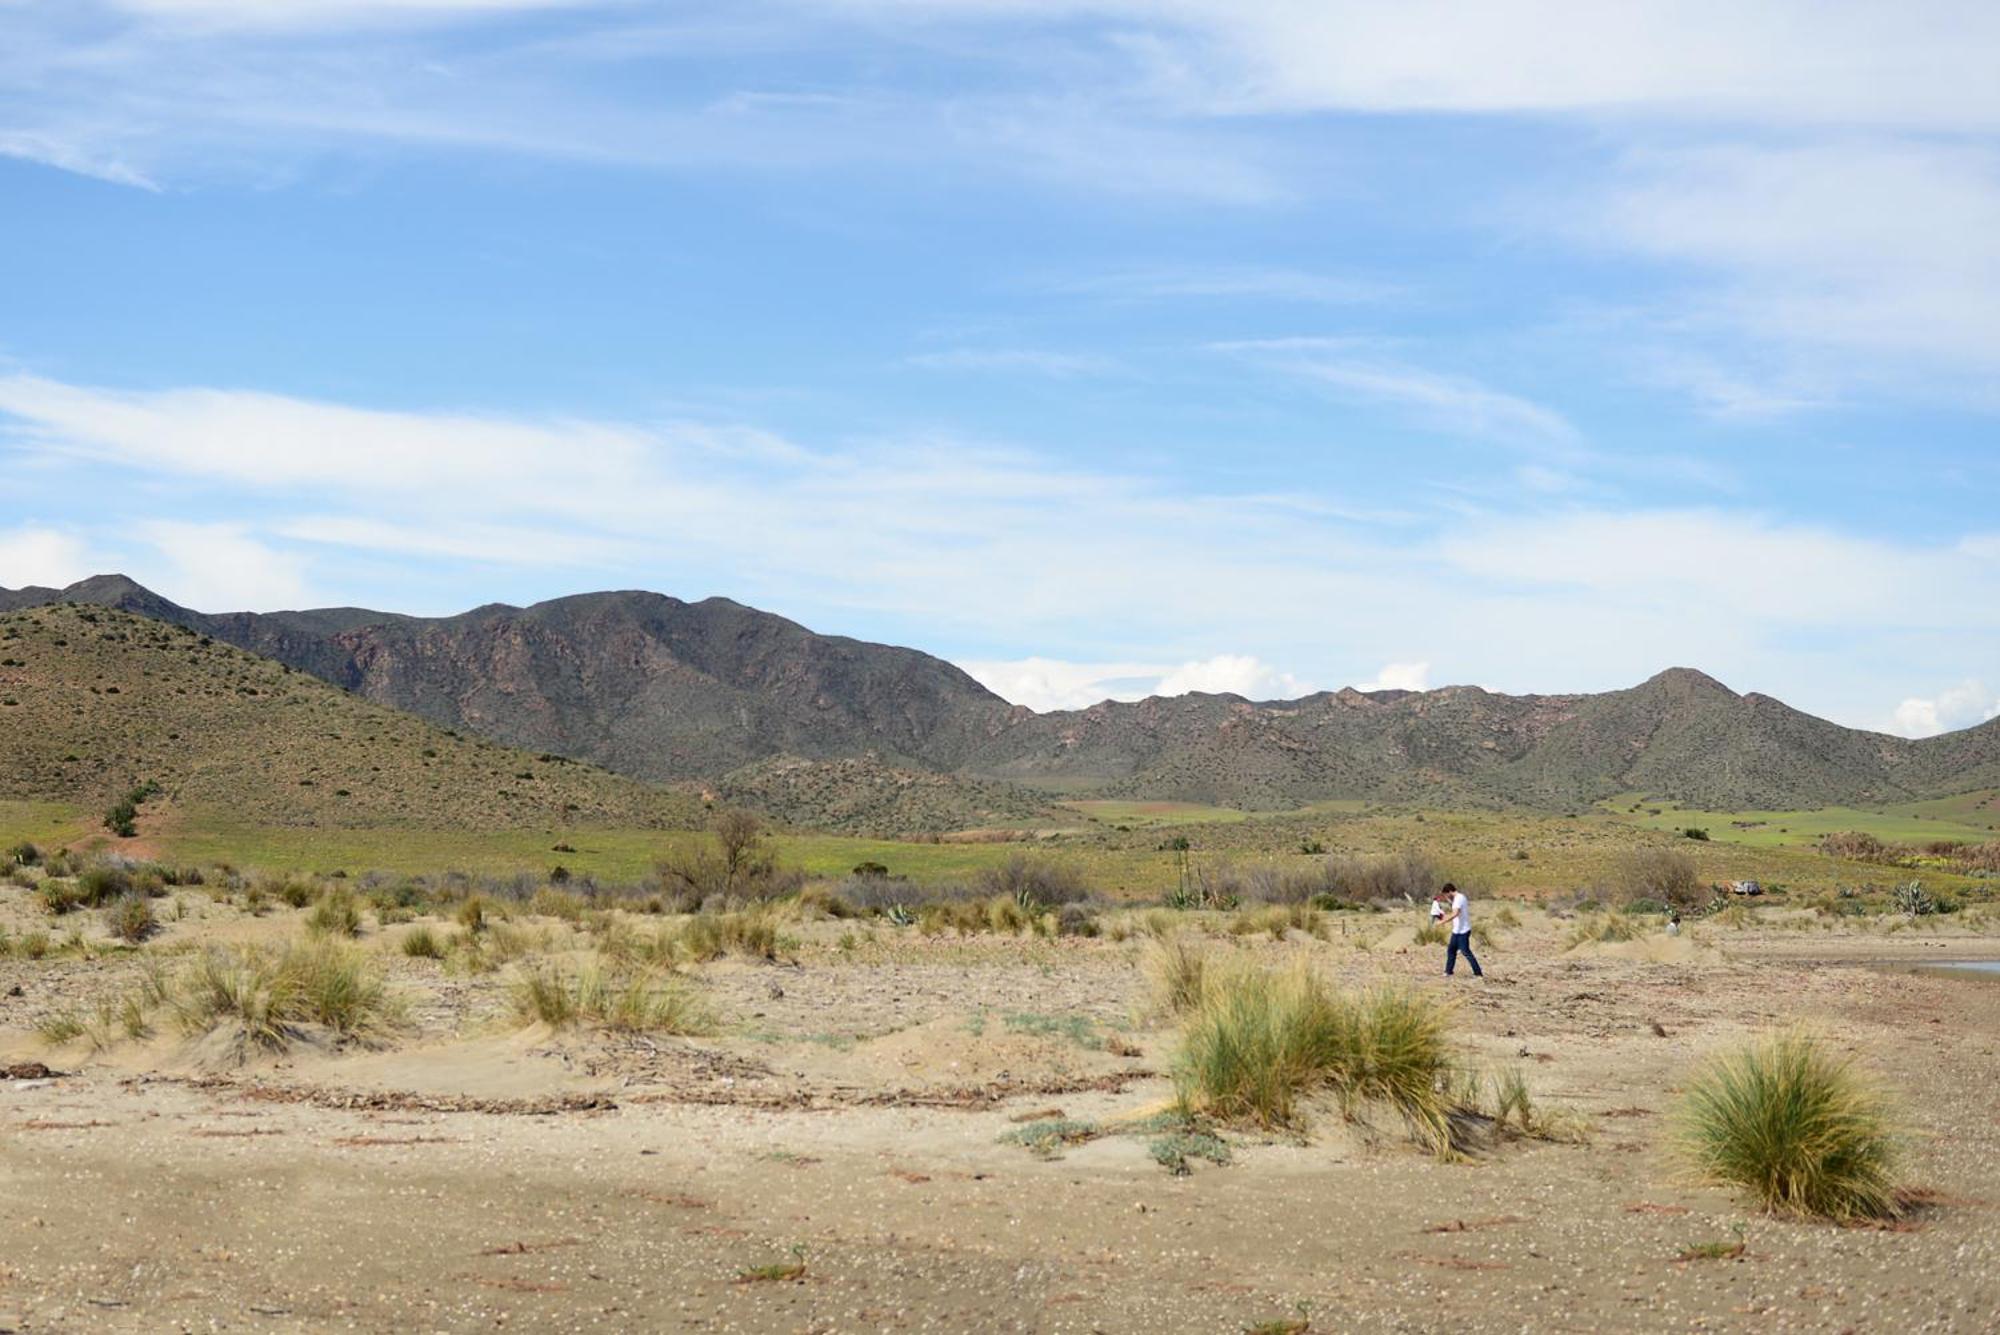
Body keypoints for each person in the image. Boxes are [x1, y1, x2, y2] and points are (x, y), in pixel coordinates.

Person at [1443, 882, 1482, 978]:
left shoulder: (1458, 899)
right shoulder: (1459, 898)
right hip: (1456, 930)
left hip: (1463, 931)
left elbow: (1455, 913)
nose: (1446, 896)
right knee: (1451, 951)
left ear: (1449, 891)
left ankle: (1478, 973)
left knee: (1466, 952)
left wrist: (1443, 921)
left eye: (1446, 894)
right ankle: (1448, 972)